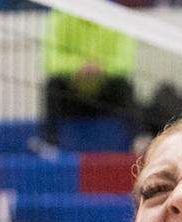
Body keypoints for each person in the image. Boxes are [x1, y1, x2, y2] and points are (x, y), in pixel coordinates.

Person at [39, 11, 139, 151]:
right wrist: (80, 66)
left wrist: (100, 67)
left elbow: (125, 63)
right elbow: (51, 62)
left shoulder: (116, 15)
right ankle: (49, 143)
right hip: (72, 93)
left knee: (124, 86)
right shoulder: (61, 13)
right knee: (53, 84)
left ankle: (138, 142)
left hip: (105, 94)